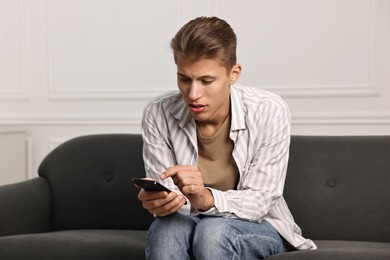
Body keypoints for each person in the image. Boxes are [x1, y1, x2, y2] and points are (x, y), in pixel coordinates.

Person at [137, 16, 317, 259]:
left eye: (206, 81)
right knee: (166, 229)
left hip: (259, 225)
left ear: (234, 73)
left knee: (213, 231)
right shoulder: (158, 113)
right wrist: (159, 203)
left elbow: (260, 201)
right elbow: (171, 198)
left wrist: (206, 198)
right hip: (187, 222)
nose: (193, 94)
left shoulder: (269, 110)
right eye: (184, 79)